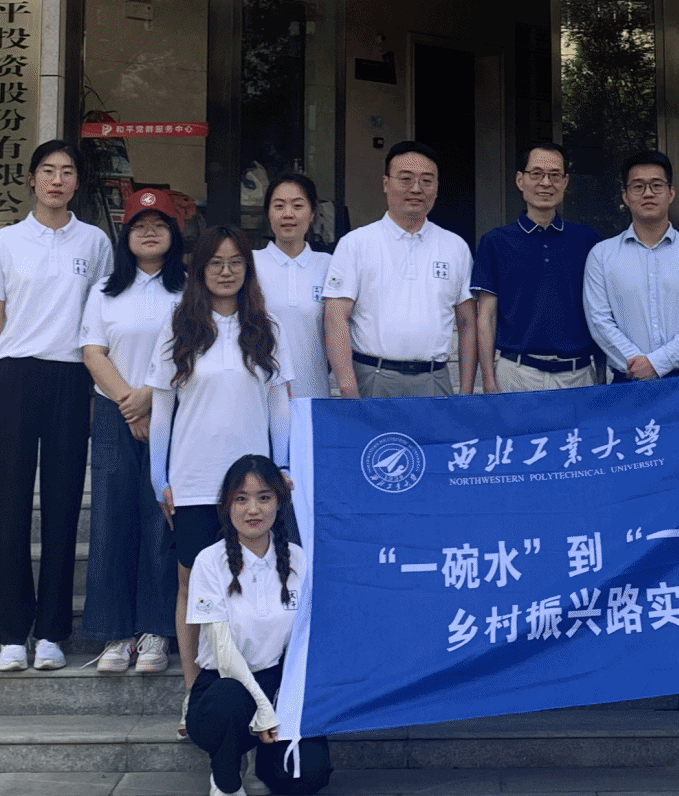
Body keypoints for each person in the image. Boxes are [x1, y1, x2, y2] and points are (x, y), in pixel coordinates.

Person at [0, 139, 112, 674]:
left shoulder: (95, 242)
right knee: (9, 506)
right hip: (14, 377)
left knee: (62, 506)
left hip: (71, 379)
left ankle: (52, 631)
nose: (57, 180)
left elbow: (102, 323)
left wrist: (100, 393)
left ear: (77, 182)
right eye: (48, 171)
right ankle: (11, 633)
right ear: (31, 179)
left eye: (67, 171)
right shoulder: (4, 242)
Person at [150, 227, 290, 698]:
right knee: (191, 586)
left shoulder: (267, 327)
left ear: (248, 269)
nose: (226, 272)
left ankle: (254, 691)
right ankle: (196, 695)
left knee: (250, 581)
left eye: (235, 263)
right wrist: (158, 477)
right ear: (200, 270)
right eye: (215, 263)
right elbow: (162, 407)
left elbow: (280, 403)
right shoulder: (179, 326)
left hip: (250, 485)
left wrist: (282, 466)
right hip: (193, 479)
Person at [184, 454, 333, 796]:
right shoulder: (209, 562)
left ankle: (259, 763)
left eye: (264, 497)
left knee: (308, 777)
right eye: (241, 499)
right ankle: (226, 778)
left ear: (280, 502)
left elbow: (304, 642)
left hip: (278, 683)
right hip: (224, 685)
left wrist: (283, 703)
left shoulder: (298, 559)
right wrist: (264, 710)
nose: (253, 509)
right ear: (227, 505)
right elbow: (223, 653)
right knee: (229, 700)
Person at [79, 189, 185, 676]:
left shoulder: (188, 288)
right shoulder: (105, 289)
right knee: (112, 517)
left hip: (172, 411)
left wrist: (150, 397)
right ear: (125, 235)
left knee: (162, 518)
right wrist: (129, 403)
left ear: (174, 234)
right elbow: (93, 352)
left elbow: (193, 348)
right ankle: (115, 631)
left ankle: (156, 630)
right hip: (114, 413)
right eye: (140, 224)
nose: (149, 232)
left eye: (159, 224)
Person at [322, 142, 477, 399]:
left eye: (426, 180)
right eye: (406, 179)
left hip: (434, 379)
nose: (416, 188)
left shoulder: (455, 247)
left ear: (437, 187)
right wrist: (348, 389)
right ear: (386, 183)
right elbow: (335, 317)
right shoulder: (356, 244)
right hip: (373, 378)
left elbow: (468, 322)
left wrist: (467, 391)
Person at [471, 141, 604, 392]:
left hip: (577, 376)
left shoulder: (587, 240)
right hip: (517, 374)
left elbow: (599, 313)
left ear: (565, 182)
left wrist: (600, 374)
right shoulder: (495, 242)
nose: (546, 182)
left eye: (555, 175)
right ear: (520, 180)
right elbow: (486, 317)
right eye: (536, 174)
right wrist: (488, 380)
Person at [583, 150, 679, 380]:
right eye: (638, 186)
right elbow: (599, 322)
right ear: (625, 196)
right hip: (629, 379)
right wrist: (639, 365)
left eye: (657, 185)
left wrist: (657, 364)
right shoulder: (602, 255)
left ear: (671, 193)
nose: (648, 193)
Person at [253, 173, 333, 400]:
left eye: (298, 206)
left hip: (314, 393)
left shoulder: (329, 265)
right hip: (259, 396)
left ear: (313, 213)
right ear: (268, 213)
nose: (288, 214)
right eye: (279, 206)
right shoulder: (250, 263)